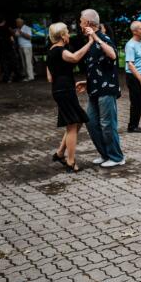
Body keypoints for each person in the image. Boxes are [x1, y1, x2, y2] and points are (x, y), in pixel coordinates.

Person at [76, 8, 125, 168]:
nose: (79, 24)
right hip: (94, 89)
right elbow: (97, 67)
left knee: (107, 124)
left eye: (81, 21)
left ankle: (117, 157)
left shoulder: (103, 38)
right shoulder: (90, 43)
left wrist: (96, 37)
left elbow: (112, 55)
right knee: (90, 122)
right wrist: (87, 81)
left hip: (107, 90)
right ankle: (105, 154)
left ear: (89, 23)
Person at [46, 22, 94, 173]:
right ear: (62, 36)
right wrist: (91, 42)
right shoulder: (60, 50)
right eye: (67, 33)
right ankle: (70, 161)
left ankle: (60, 153)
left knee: (77, 120)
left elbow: (50, 78)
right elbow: (74, 58)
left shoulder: (50, 51)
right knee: (72, 124)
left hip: (60, 90)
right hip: (65, 90)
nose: (68, 35)